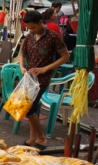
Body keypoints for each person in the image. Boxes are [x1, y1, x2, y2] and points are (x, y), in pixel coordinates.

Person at [19, 11, 69, 150]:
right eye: (29, 28)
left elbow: (65, 57)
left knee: (29, 108)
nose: (31, 30)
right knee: (30, 108)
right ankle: (32, 138)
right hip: (29, 77)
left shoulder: (54, 37)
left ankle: (41, 138)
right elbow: (22, 54)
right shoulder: (29, 37)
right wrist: (22, 67)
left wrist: (46, 68)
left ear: (41, 22)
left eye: (33, 27)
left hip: (42, 79)